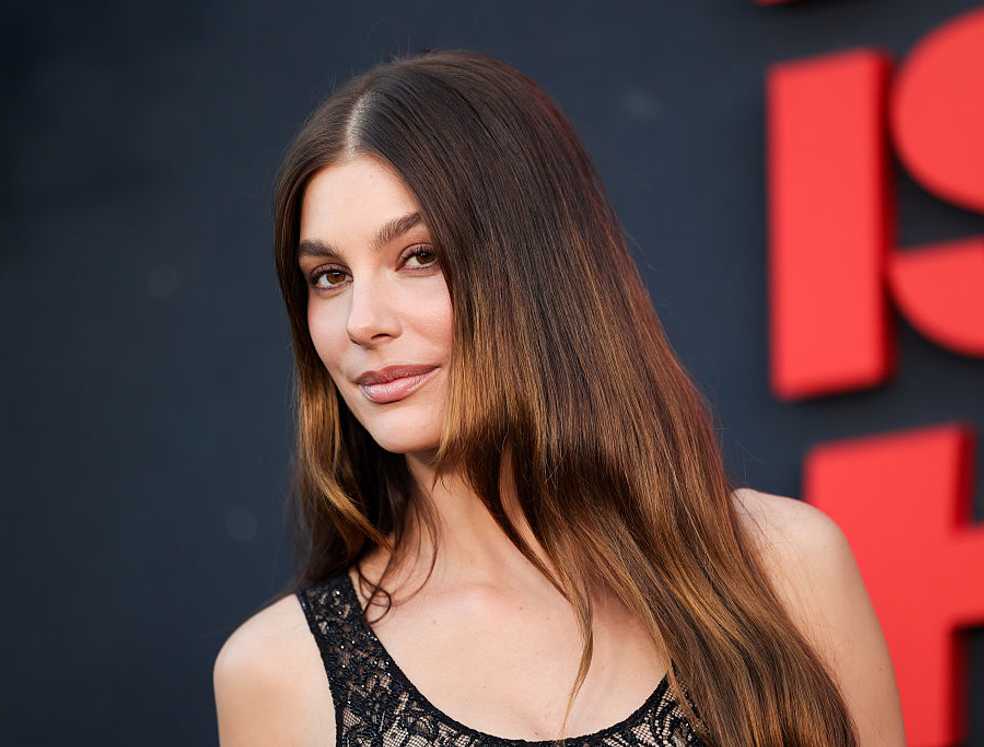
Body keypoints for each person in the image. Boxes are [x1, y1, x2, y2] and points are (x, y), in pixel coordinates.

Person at [213, 49, 906, 746]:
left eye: (417, 256)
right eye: (328, 276)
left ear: (536, 271)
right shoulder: (280, 671)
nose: (363, 320)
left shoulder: (787, 569)